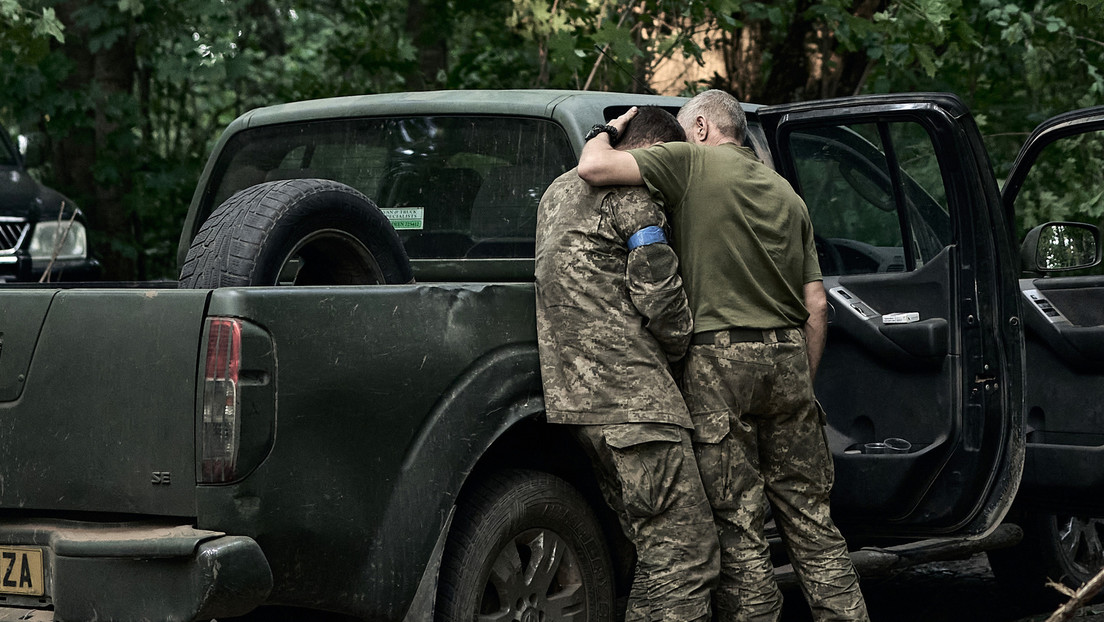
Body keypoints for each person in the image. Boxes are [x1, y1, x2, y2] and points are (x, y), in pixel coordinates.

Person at [577, 91, 869, 622]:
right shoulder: (787, 194)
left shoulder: (690, 162)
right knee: (814, 525)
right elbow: (817, 306)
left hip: (719, 361)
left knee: (740, 526)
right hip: (788, 359)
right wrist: (799, 383)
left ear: (704, 128)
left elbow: (594, 168)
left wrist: (613, 127)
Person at [534, 106, 719, 622]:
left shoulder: (556, 192)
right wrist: (682, 348)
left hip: (576, 402)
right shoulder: (635, 198)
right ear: (657, 153)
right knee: (687, 557)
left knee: (654, 553)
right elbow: (660, 297)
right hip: (635, 403)